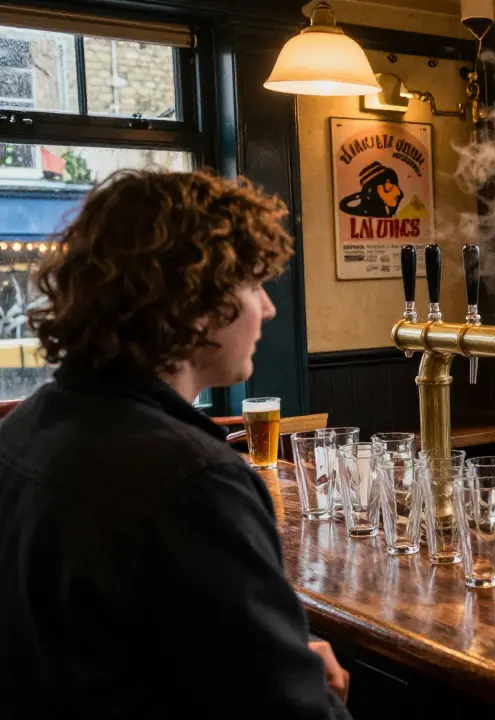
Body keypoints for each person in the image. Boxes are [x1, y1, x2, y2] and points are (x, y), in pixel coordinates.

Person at [0, 170, 352, 717]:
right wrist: (321, 690)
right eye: (255, 285)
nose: (268, 309)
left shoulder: (27, 426)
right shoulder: (194, 482)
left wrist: (278, 656)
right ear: (196, 304)